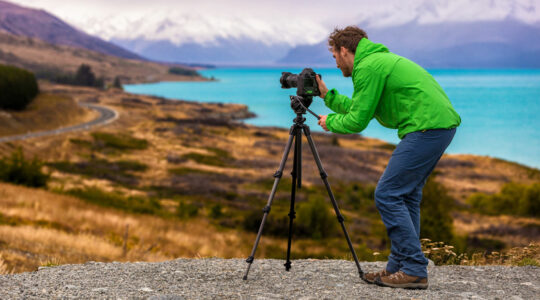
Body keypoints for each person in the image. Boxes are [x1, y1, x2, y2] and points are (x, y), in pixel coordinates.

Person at [316, 26, 461, 290]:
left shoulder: (367, 67)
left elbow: (357, 121)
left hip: (427, 127)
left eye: (335, 56)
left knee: (388, 193)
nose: (335, 64)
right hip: (438, 126)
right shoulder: (376, 62)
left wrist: (332, 122)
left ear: (344, 50)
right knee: (406, 196)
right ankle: (399, 267)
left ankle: (415, 270)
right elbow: (362, 108)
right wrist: (328, 97)